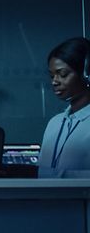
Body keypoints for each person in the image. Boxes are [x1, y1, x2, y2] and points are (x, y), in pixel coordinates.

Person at [39, 37, 90, 178]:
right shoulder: (54, 123)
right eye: (52, 75)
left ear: (86, 75)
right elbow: (42, 175)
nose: (54, 82)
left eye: (62, 74)